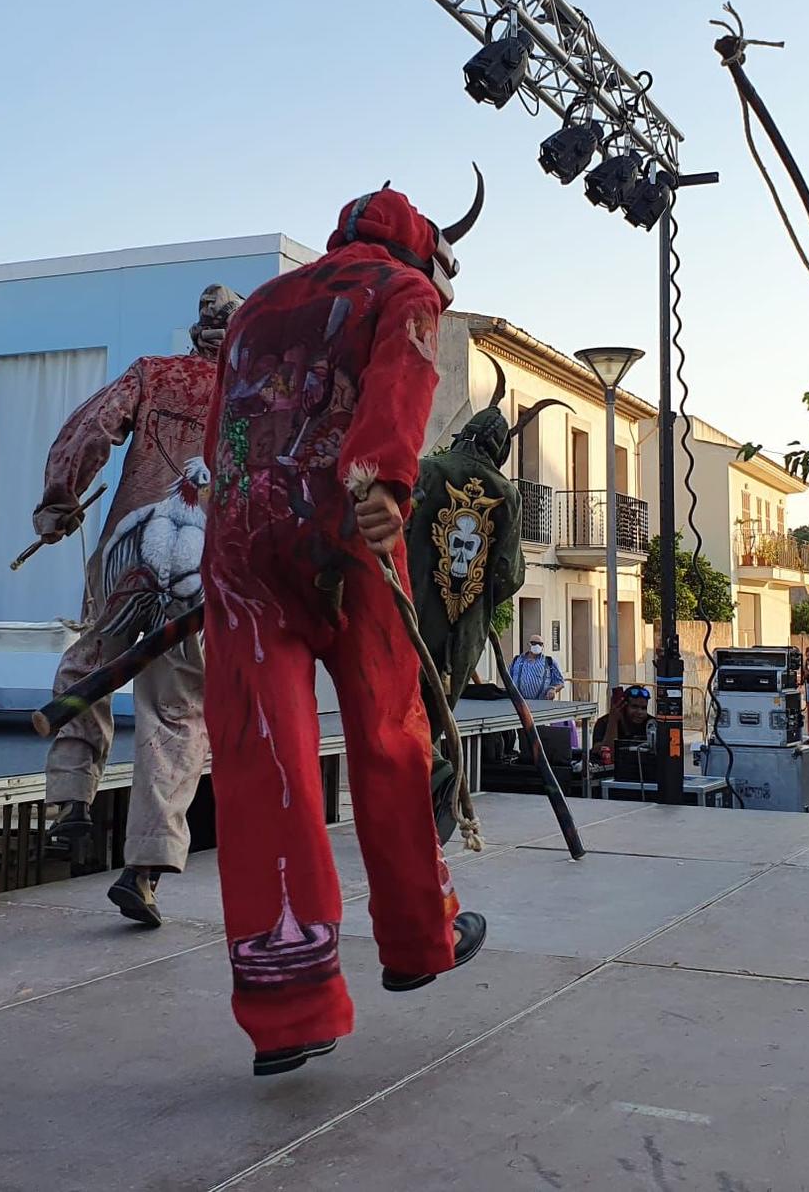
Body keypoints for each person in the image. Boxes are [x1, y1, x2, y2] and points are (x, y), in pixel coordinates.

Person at [201, 173, 489, 1078]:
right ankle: (416, 937)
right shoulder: (404, 290)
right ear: (424, 252)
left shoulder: (255, 311)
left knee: (263, 759)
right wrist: (383, 479)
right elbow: (402, 381)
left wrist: (242, 516)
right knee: (389, 733)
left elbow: (226, 434)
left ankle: (290, 1005)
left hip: (244, 540)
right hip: (349, 529)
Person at [34, 284, 242, 927]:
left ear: (196, 332)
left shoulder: (155, 374)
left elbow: (88, 430)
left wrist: (60, 502)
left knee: (88, 667)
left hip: (128, 558)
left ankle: (72, 799)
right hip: (202, 575)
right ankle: (145, 868)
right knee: (176, 714)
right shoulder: (255, 396)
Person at [405, 359, 558, 843]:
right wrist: (476, 591)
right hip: (463, 636)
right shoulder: (506, 495)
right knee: (430, 719)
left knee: (396, 711)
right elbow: (509, 575)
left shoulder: (426, 470)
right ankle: (431, 793)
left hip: (406, 620)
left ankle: (430, 791)